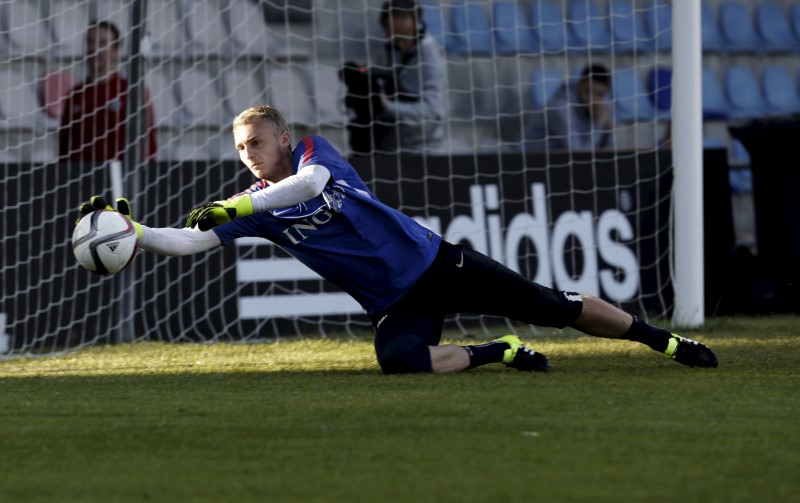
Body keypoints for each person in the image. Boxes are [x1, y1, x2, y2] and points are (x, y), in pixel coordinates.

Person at [78, 105, 718, 374]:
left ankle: (664, 341)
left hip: (439, 264)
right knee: (400, 362)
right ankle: (497, 352)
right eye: (241, 150)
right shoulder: (251, 208)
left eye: (256, 144)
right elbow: (190, 243)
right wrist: (137, 233)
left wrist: (236, 203)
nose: (249, 156)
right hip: (393, 300)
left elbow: (310, 186)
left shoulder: (311, 155)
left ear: (282, 137)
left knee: (556, 307)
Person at [341, 0, 445, 154]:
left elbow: (431, 109)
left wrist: (387, 106)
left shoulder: (428, 52)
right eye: (394, 37)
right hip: (390, 143)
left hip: (424, 147)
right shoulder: (388, 50)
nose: (399, 45)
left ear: (414, 23)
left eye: (403, 38)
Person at [59, 20, 157, 162]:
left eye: (103, 43)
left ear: (115, 52)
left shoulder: (132, 91)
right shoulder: (76, 94)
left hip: (120, 179)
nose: (94, 48)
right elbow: (64, 147)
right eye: (90, 42)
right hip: (81, 179)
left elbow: (149, 141)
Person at [525, 64, 614, 151]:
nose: (593, 99)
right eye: (589, 91)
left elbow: (606, 152)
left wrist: (606, 130)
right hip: (528, 160)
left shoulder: (593, 110)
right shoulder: (560, 108)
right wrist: (598, 125)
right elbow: (579, 153)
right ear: (580, 84)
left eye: (600, 94)